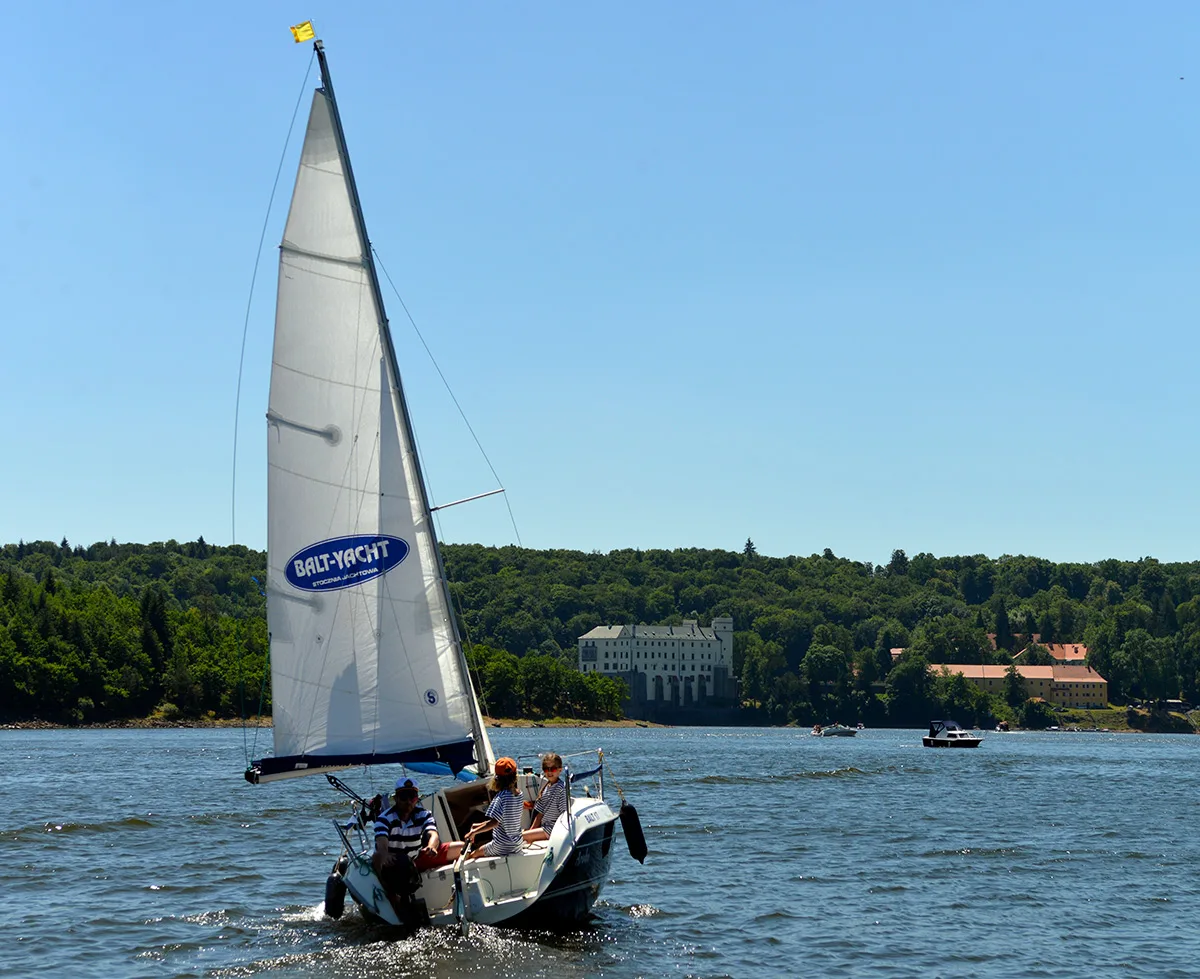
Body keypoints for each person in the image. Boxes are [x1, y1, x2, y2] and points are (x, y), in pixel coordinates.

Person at [371, 777, 449, 905]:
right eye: (403, 797)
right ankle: (387, 891)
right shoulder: (384, 819)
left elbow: (433, 833)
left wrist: (432, 847)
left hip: (414, 859)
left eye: (412, 797)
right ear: (396, 799)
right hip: (392, 861)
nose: (408, 801)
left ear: (416, 799)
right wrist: (385, 854)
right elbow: (381, 841)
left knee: (459, 847)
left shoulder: (424, 814)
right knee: (379, 856)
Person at [454, 756, 524, 860]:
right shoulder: (519, 794)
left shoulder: (501, 797)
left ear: (497, 779)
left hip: (502, 845)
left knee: (474, 855)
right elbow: (501, 820)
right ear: (515, 776)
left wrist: (473, 832)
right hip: (517, 843)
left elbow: (494, 823)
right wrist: (476, 826)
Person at [523, 752, 566, 843]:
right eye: (546, 769)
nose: (549, 772)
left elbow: (564, 814)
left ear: (560, 770)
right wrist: (531, 831)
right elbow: (539, 815)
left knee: (520, 836)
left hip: (553, 829)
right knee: (522, 833)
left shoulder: (561, 789)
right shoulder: (546, 787)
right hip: (545, 827)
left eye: (553, 769)